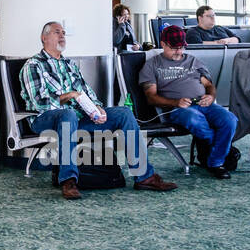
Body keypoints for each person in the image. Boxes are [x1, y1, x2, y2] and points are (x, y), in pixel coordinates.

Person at [21, 21, 176, 198]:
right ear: (44, 38)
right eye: (57, 32)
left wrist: (97, 108)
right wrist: (70, 95)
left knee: (123, 113)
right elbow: (40, 102)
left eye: (63, 32)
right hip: (44, 119)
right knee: (67, 114)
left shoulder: (69, 64)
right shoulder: (33, 65)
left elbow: (87, 93)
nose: (62, 35)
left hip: (74, 119)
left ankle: (144, 177)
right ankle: (68, 180)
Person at [140, 25, 238, 178]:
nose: (179, 52)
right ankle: (221, 157)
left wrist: (211, 96)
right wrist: (175, 102)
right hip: (178, 108)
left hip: (203, 104)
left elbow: (209, 85)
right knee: (195, 119)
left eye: (181, 47)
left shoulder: (193, 61)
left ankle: (215, 161)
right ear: (163, 44)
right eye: (174, 48)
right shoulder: (152, 65)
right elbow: (151, 97)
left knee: (230, 119)